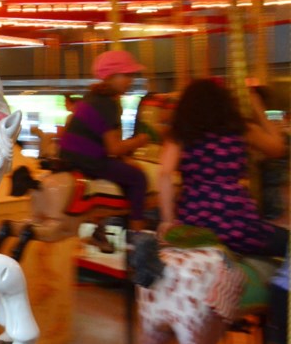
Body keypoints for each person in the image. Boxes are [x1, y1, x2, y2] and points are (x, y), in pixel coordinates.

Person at [157, 78, 288, 256]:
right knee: (285, 242)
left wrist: (167, 221)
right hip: (237, 221)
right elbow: (278, 148)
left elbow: (164, 175)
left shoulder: (180, 133)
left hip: (195, 223)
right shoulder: (241, 129)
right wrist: (258, 108)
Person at [59, 49, 152, 249]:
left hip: (70, 155)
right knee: (138, 178)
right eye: (126, 75)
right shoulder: (108, 103)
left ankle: (100, 229)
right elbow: (114, 149)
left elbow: (108, 145)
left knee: (123, 172)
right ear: (110, 77)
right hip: (88, 160)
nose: (130, 79)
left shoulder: (94, 97)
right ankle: (137, 234)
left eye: (132, 75)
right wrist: (140, 140)